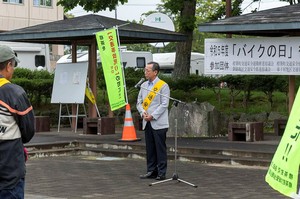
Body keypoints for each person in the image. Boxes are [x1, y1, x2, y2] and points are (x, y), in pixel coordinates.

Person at [0, 45, 35, 198]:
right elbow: (28, 132)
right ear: (8, 65)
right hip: (9, 170)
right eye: (13, 65)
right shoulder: (15, 93)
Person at [137, 61, 170, 181]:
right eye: (145, 70)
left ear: (155, 72)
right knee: (150, 148)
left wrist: (153, 115)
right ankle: (151, 170)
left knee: (160, 148)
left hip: (158, 122)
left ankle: (161, 172)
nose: (145, 72)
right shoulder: (144, 85)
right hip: (147, 121)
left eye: (148, 70)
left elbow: (164, 104)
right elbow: (139, 101)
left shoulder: (163, 85)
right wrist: (142, 112)